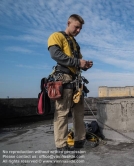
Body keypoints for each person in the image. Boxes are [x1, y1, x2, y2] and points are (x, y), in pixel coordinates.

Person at [47, 14, 93, 152]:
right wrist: (78, 62)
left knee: (79, 113)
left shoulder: (75, 44)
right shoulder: (56, 36)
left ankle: (80, 140)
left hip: (76, 81)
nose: (78, 30)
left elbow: (78, 62)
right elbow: (56, 55)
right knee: (62, 112)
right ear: (68, 23)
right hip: (64, 79)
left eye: (80, 29)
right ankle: (61, 146)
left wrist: (84, 65)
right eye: (76, 27)